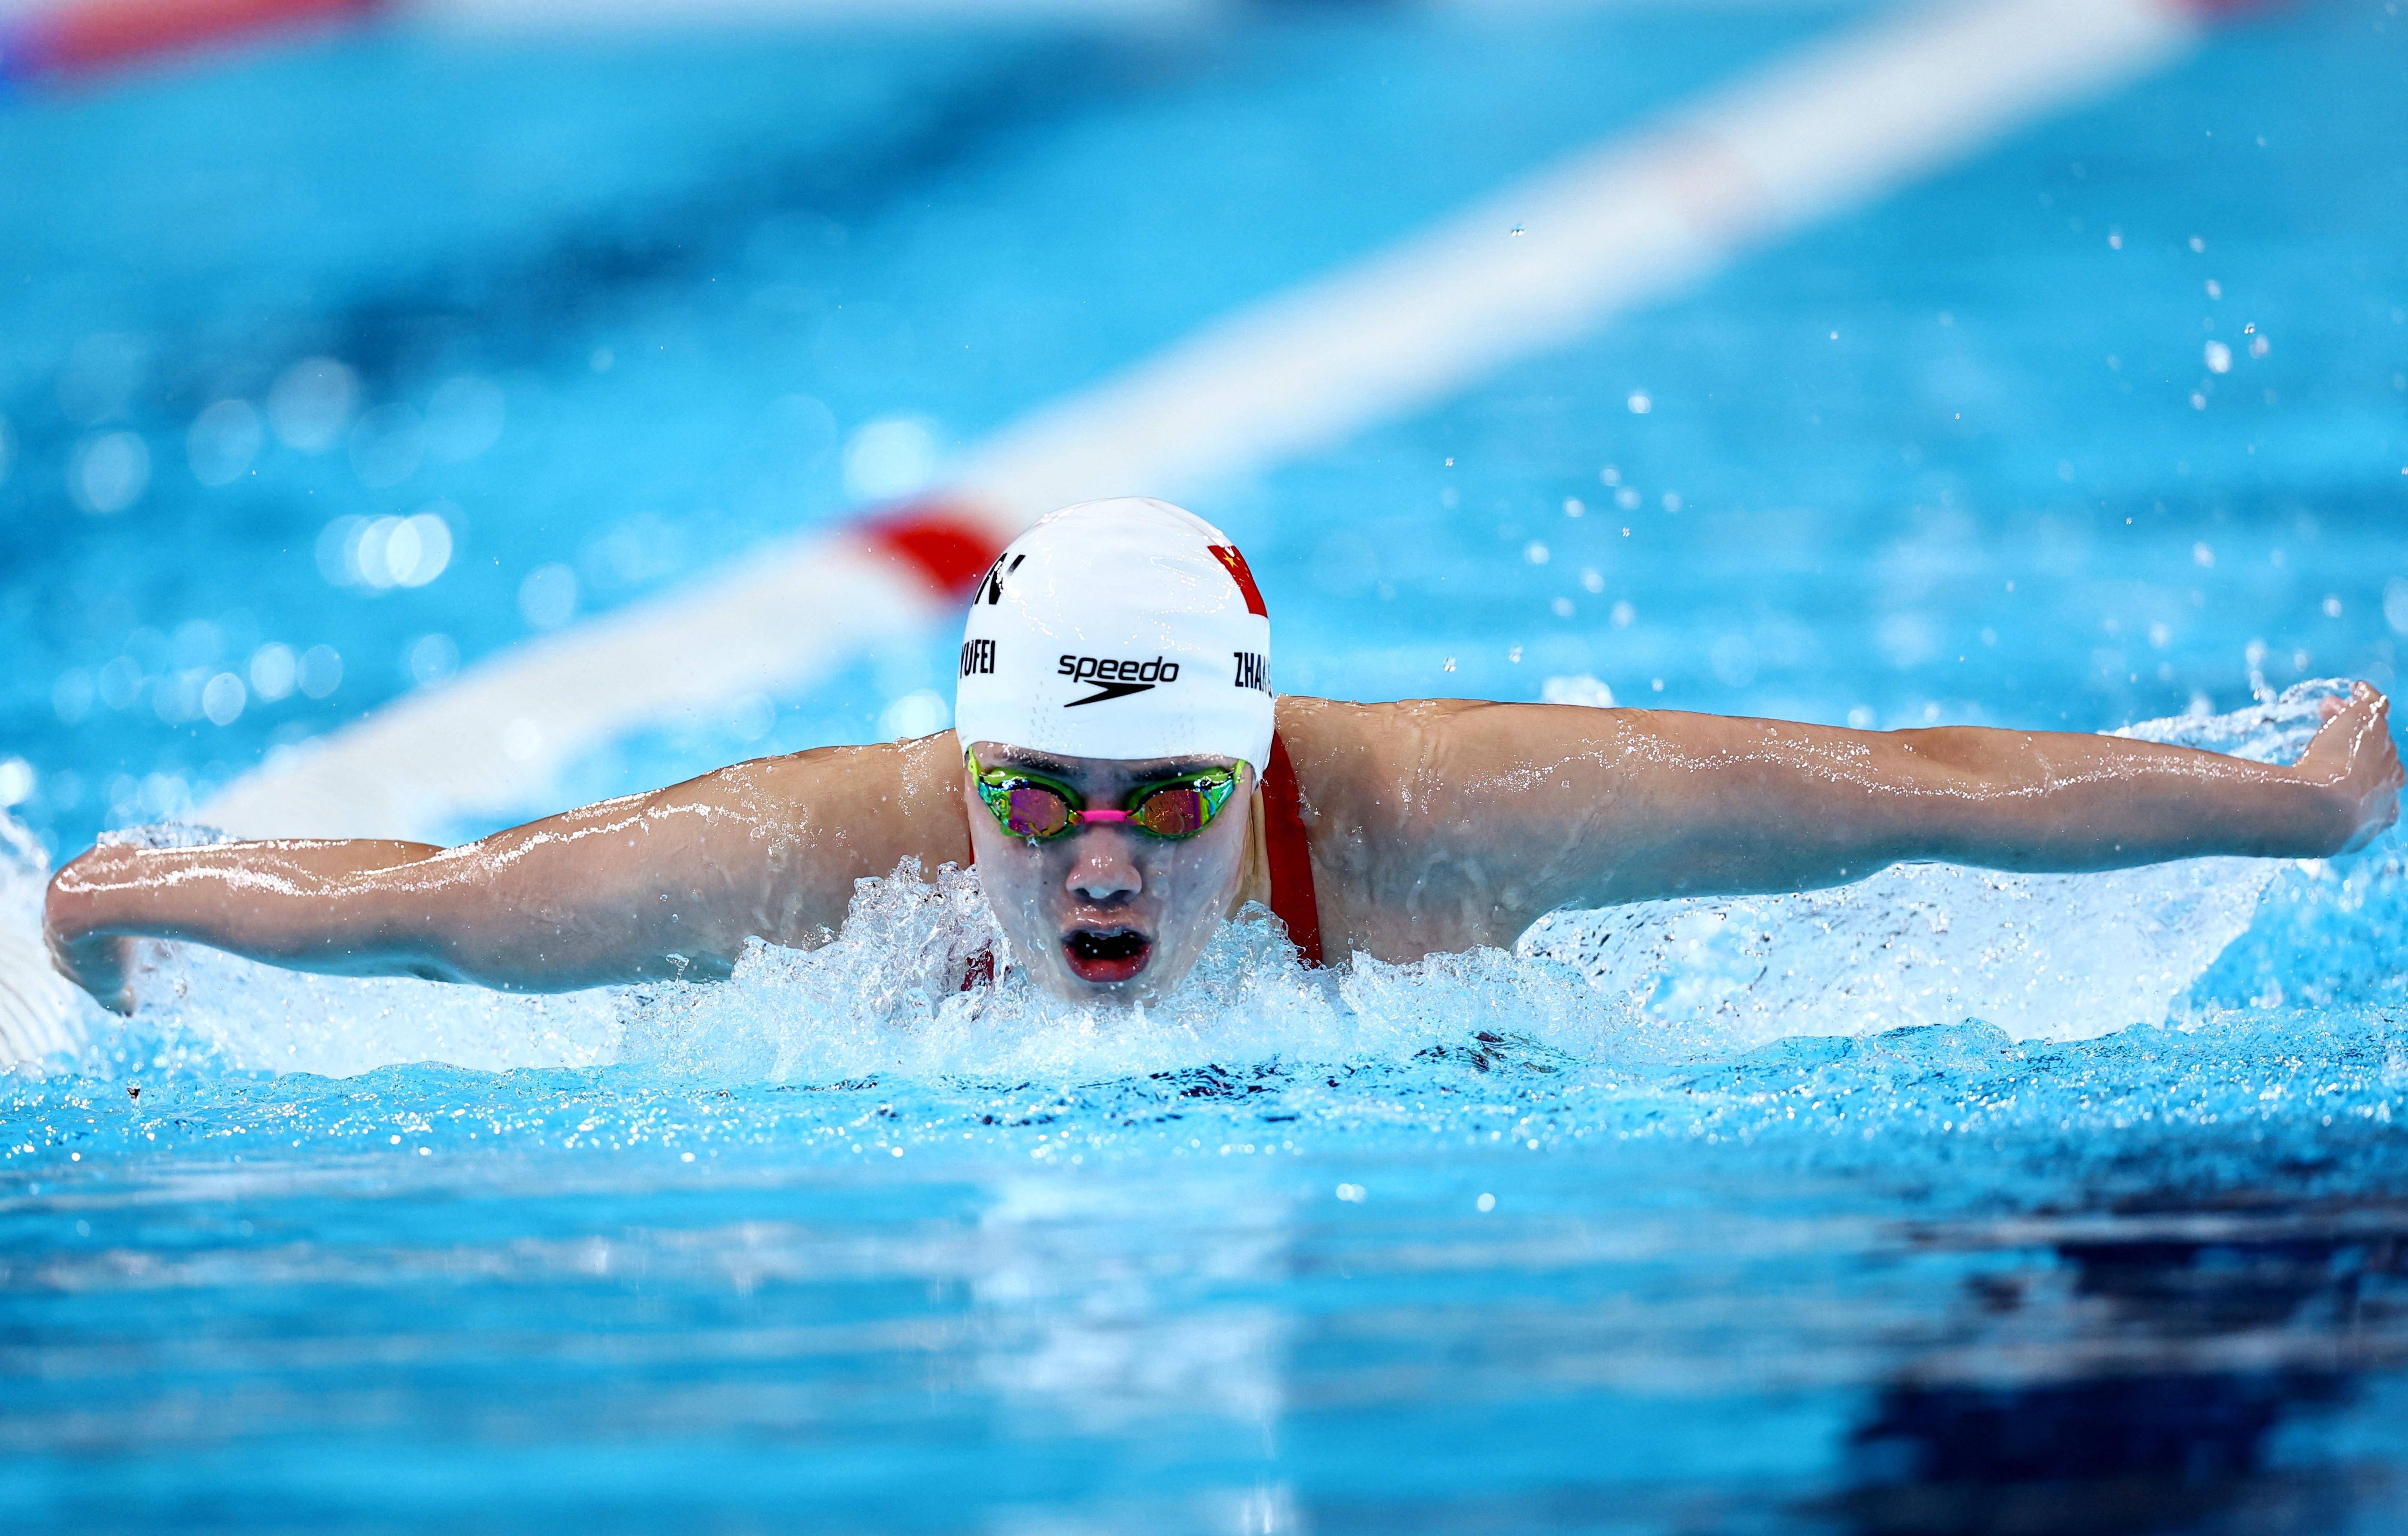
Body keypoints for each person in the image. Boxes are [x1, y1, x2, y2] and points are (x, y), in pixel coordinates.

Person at [43, 498, 2404, 1012]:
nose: (1085, 851)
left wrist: (2286, 811)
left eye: (1155, 795)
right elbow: (439, 902)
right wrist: (122, 901)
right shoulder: (815, 858)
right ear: (954, 774)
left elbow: (1898, 787)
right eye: (1033, 794)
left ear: (1245, 775)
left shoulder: (1445, 819)